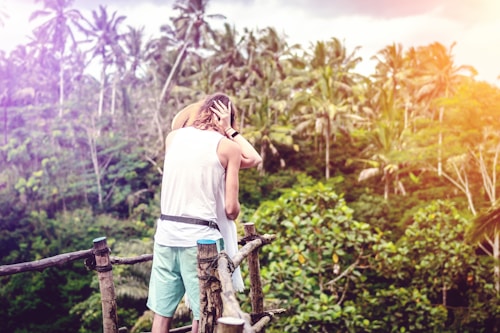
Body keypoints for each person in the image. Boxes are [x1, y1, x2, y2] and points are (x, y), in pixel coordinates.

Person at [147, 93, 243, 333]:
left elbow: (180, 121)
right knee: (204, 313)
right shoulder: (229, 148)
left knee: (161, 314)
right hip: (201, 239)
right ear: (227, 117)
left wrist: (203, 107)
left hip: (166, 234)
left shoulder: (173, 139)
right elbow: (231, 210)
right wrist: (229, 129)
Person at [172, 95, 262, 291]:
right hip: (206, 223)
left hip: (206, 223)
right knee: (208, 295)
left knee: (207, 296)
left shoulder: (224, 151)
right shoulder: (201, 147)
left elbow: (254, 158)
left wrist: (227, 130)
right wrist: (228, 128)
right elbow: (254, 158)